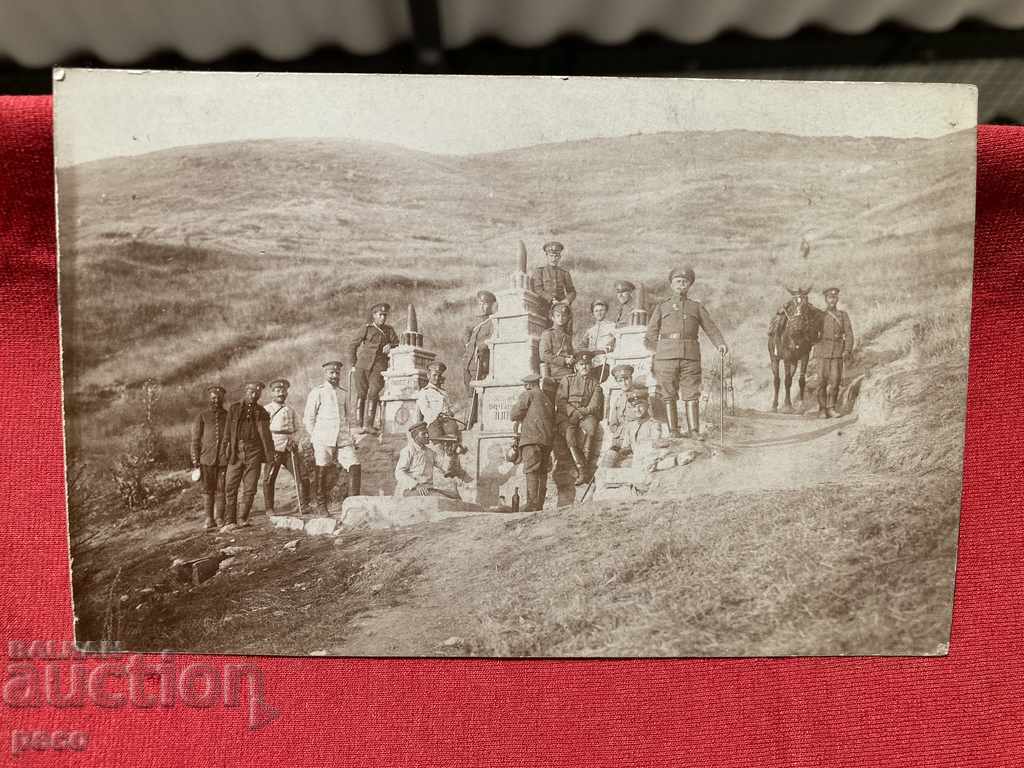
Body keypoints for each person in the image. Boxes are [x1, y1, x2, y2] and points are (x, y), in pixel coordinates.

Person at [644, 266, 728, 439]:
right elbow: (651, 333)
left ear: (689, 285)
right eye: (678, 281)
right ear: (671, 284)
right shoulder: (662, 307)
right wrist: (657, 352)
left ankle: (694, 431)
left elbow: (710, 328)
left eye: (684, 282)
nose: (681, 284)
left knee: (691, 393)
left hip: (690, 356)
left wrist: (720, 344)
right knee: (668, 393)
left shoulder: (696, 307)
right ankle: (673, 431)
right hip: (665, 357)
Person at [304, 360, 360, 513]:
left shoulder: (344, 393)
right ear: (325, 374)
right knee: (322, 469)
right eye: (331, 373)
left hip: (342, 438)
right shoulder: (317, 392)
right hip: (322, 438)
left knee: (354, 465)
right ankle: (321, 505)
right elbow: (309, 418)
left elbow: (351, 418)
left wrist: (353, 436)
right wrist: (315, 436)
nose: (335, 375)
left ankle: (354, 504)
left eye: (337, 373)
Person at [223, 381, 276, 528]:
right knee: (230, 486)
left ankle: (242, 518)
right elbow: (227, 434)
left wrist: (270, 455)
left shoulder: (262, 412)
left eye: (257, 393)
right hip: (236, 451)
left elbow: (267, 436)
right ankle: (230, 520)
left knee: (250, 487)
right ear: (246, 391)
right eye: (251, 392)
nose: (254, 395)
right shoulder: (234, 409)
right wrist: (225, 453)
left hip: (254, 452)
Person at [348, 302, 400, 434]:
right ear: (374, 315)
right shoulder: (367, 329)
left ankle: (369, 425)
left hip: (379, 367)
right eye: (380, 315)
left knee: (373, 393)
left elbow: (397, 344)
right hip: (362, 366)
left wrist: (391, 346)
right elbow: (352, 346)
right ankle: (359, 426)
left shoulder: (389, 331)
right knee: (361, 394)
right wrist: (354, 364)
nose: (383, 317)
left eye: (385, 315)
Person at [556, 350, 605, 485]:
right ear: (576, 366)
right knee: (569, 435)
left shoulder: (595, 384)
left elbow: (594, 405)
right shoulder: (567, 380)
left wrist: (581, 413)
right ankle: (581, 468)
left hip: (585, 414)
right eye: (581, 364)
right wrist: (573, 412)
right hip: (568, 415)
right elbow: (560, 401)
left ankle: (585, 469)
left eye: (587, 364)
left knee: (591, 429)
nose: (584, 367)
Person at [509, 373, 555, 512]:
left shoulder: (528, 394)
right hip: (546, 441)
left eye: (525, 385)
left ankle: (531, 504)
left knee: (531, 470)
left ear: (529, 385)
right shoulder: (547, 398)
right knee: (542, 472)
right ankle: (539, 504)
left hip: (531, 439)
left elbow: (514, 414)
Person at [261, 378, 305, 515]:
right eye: (278, 390)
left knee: (301, 475)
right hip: (274, 447)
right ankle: (269, 508)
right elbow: (262, 431)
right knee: (269, 478)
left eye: (284, 390)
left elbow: (299, 428)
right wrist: (268, 448)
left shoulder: (290, 410)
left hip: (289, 447)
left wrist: (294, 440)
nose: (281, 393)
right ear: (272, 393)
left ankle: (303, 504)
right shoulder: (266, 410)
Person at [189, 384, 229, 531]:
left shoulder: (228, 415)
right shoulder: (202, 416)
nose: (216, 400)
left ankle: (219, 518)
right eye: (213, 398)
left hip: (224, 460)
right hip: (206, 459)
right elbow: (195, 441)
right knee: (207, 490)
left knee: (221, 489)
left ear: (223, 399)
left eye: (218, 398)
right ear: (209, 399)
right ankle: (209, 518)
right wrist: (195, 461)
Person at [815, 287, 855, 418]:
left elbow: (849, 333)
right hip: (822, 351)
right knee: (821, 381)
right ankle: (822, 409)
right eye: (830, 298)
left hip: (837, 351)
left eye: (834, 297)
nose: (832, 300)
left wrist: (847, 350)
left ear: (837, 299)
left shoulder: (843, 315)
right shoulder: (820, 315)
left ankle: (831, 408)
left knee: (835, 380)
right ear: (826, 299)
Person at [394, 422, 459, 498]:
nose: (427, 436)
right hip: (412, 490)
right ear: (415, 436)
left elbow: (445, 468)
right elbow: (399, 473)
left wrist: (449, 455)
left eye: (427, 433)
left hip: (428, 489)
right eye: (423, 434)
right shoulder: (408, 451)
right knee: (443, 499)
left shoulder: (430, 452)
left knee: (455, 496)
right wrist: (416, 485)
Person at [463, 290, 496, 429]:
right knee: (470, 395)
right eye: (479, 303)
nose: (481, 306)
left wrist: (483, 345)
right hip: (468, 364)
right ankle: (468, 422)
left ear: (491, 305)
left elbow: (493, 338)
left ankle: (475, 423)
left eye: (484, 303)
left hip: (481, 364)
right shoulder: (476, 324)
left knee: (480, 395)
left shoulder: (493, 322)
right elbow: (468, 340)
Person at [530, 241, 577, 336]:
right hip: (545, 307)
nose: (554, 259)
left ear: (560, 257)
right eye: (551, 256)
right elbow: (537, 289)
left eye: (556, 256)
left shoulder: (564, 273)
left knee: (565, 331)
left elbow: (572, 291)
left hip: (561, 307)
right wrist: (551, 299)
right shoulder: (540, 272)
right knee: (546, 333)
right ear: (547, 256)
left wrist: (566, 300)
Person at [580, 299, 617, 382]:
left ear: (606, 311)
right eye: (596, 311)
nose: (599, 313)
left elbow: (617, 343)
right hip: (592, 364)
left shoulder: (613, 327)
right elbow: (582, 346)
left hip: (606, 363)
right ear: (593, 313)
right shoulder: (590, 331)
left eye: (601, 310)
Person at [539, 303, 575, 386]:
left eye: (564, 316)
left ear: (567, 318)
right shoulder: (548, 334)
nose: (561, 318)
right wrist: (564, 360)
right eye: (558, 316)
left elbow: (570, 353)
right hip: (555, 373)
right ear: (552, 318)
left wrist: (572, 358)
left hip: (569, 371)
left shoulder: (567, 336)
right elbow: (544, 355)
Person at [605, 364, 635, 450]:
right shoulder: (618, 399)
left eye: (626, 379)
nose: (624, 383)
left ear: (631, 379)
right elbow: (613, 424)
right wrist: (618, 432)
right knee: (609, 459)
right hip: (619, 439)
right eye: (620, 380)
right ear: (617, 382)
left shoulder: (640, 396)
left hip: (634, 437)